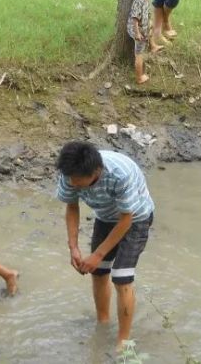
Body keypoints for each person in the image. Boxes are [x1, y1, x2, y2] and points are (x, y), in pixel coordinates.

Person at [55, 141, 155, 352]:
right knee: (98, 272)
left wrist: (98, 254)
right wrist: (73, 247)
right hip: (105, 217)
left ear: (97, 172)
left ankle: (123, 341)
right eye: (70, 178)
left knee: (121, 277)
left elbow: (126, 219)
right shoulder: (69, 174)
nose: (72, 183)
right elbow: (72, 207)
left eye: (78, 181)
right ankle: (103, 323)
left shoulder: (120, 175)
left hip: (136, 217)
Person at [129, 0, 162, 84]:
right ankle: (139, 77)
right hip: (138, 32)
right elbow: (134, 18)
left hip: (144, 26)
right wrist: (137, 33)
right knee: (139, 55)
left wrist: (149, 21)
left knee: (151, 27)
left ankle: (153, 46)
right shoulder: (138, 0)